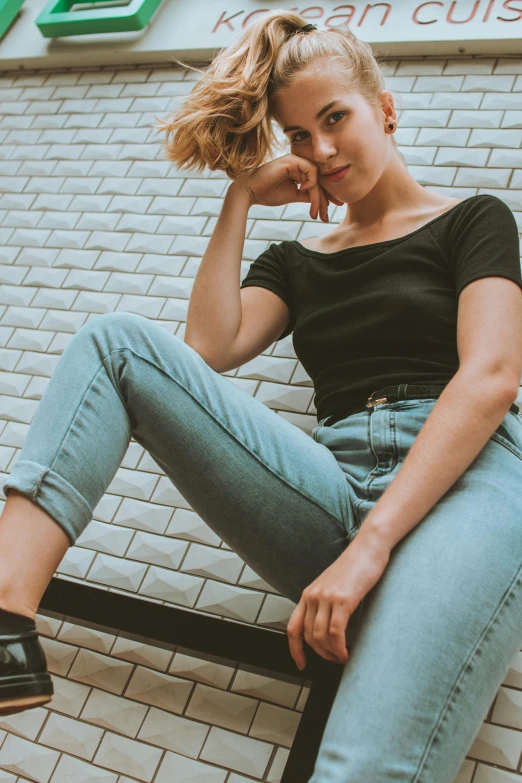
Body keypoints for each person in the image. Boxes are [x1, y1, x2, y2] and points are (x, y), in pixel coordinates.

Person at [1, 9, 522, 782]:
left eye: (336, 118)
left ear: (385, 107)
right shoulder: (299, 260)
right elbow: (208, 349)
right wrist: (241, 196)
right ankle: (6, 623)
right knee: (115, 345)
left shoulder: (473, 220)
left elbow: (491, 376)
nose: (322, 150)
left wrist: (372, 546)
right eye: (301, 135)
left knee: (358, 768)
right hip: (334, 484)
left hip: (465, 481)